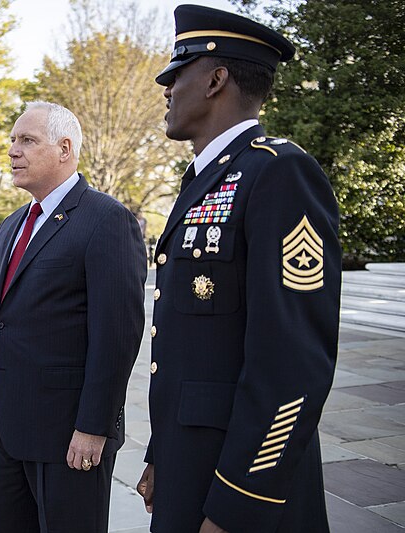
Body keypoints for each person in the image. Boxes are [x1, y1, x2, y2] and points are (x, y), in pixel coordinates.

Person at [137, 5, 341, 533]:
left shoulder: (279, 172)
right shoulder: (203, 179)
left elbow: (293, 364)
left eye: (175, 75)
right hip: (191, 464)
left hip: (242, 486)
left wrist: (240, 501)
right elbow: (188, 349)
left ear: (215, 79)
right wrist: (163, 454)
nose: (166, 89)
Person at [0, 101, 146, 532]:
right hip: (7, 431)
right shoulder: (12, 225)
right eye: (12, 140)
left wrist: (93, 426)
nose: (12, 151)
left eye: (26, 140)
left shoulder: (107, 220)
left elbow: (117, 336)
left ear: (65, 149)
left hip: (69, 435)